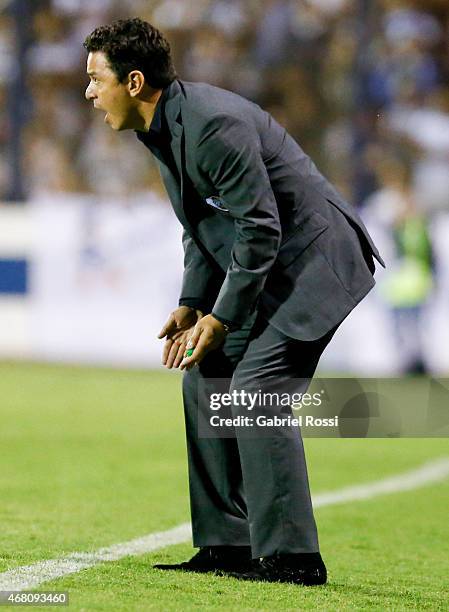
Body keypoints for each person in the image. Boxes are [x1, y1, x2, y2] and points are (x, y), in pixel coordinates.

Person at [84, 17, 384, 586]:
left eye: (96, 79)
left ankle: (293, 558)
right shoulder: (163, 125)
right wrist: (193, 301)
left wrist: (222, 316)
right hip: (275, 263)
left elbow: (260, 227)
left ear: (134, 81)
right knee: (207, 376)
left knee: (257, 388)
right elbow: (202, 224)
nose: (89, 92)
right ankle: (228, 545)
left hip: (317, 263)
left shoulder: (211, 125)